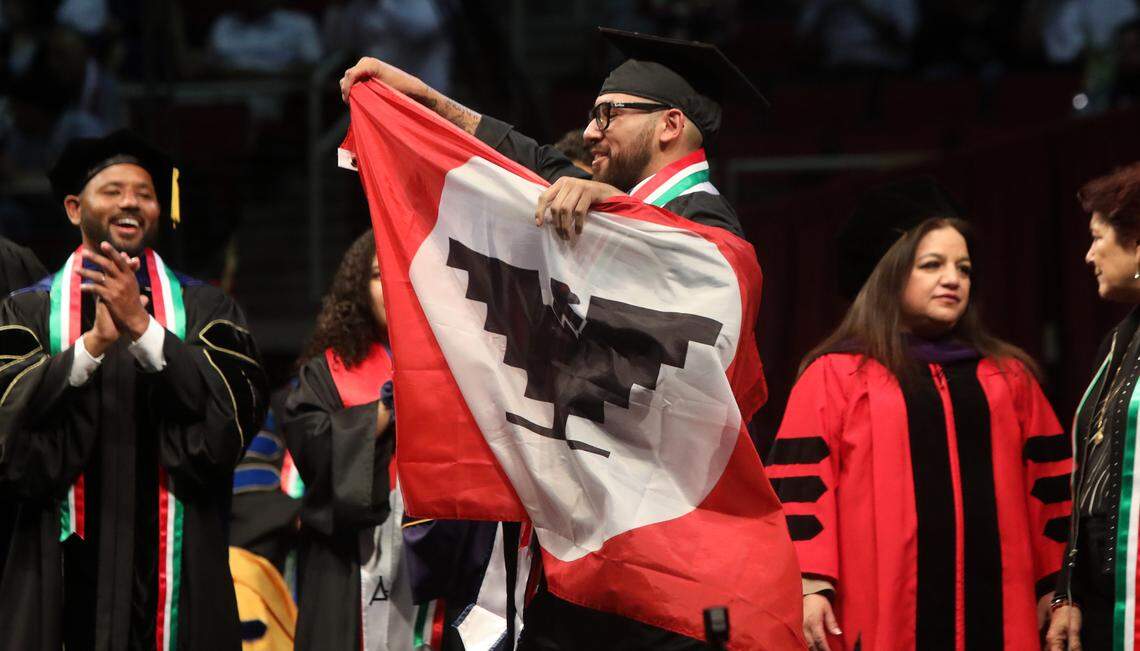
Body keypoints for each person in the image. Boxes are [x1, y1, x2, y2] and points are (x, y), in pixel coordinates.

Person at [768, 179, 1071, 650]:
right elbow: (801, 490)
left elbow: (1051, 494)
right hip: (880, 613)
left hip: (1003, 619)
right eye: (932, 265)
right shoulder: (837, 375)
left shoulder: (1008, 379)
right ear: (889, 276)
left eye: (964, 268)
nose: (953, 279)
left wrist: (1059, 590)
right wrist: (811, 583)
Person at [0, 129, 267, 650]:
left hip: (178, 569)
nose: (131, 203)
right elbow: (8, 431)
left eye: (145, 193)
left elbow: (228, 422)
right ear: (76, 208)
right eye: (113, 190)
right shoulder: (27, 311)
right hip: (55, 567)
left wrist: (144, 330)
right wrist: (94, 345)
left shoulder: (206, 309)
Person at [339, 27, 765, 242]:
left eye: (607, 114)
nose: (588, 133)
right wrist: (424, 97)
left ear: (670, 125)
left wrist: (616, 206)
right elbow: (526, 156)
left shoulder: (708, 222)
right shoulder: (612, 195)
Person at [1047, 162, 1140, 651]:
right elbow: (1091, 482)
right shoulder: (1117, 344)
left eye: (1098, 237)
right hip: (1106, 602)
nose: (1088, 255)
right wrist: (1069, 592)